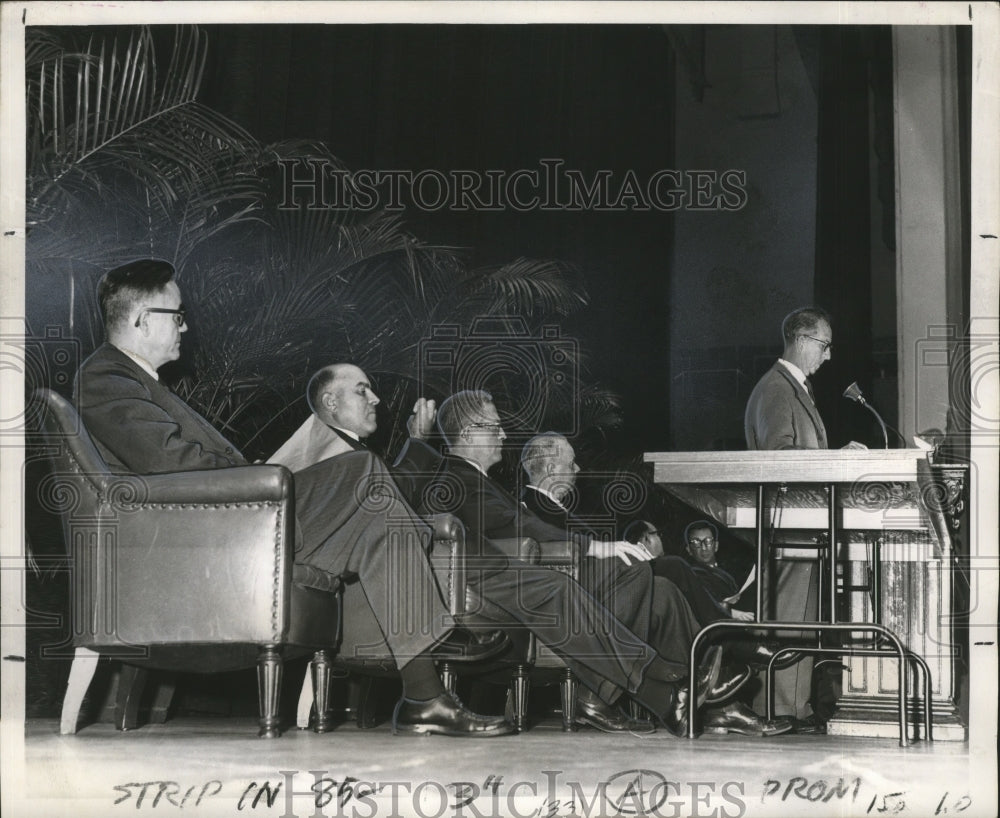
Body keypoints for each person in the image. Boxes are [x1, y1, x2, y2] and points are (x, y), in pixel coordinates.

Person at [75, 259, 514, 738]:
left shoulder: (139, 383)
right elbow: (169, 463)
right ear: (143, 319)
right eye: (177, 315)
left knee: (379, 523)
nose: (185, 325)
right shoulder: (106, 377)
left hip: (224, 525)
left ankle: (424, 696)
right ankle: (439, 632)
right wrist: (259, 478)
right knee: (363, 469)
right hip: (203, 538)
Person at [397, 389, 749, 735]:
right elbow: (521, 526)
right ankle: (670, 680)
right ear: (470, 432)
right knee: (613, 578)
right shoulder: (457, 476)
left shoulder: (477, 479)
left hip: (525, 571)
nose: (504, 434)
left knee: (650, 582)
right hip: (509, 576)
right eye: (495, 427)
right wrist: (594, 547)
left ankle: (660, 694)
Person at [743, 306, 863, 729]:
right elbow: (779, 459)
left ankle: (796, 706)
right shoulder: (777, 388)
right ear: (802, 340)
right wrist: (834, 458)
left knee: (802, 617)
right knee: (788, 616)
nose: (828, 356)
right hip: (787, 519)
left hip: (803, 520)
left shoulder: (795, 388)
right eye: (824, 346)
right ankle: (774, 708)